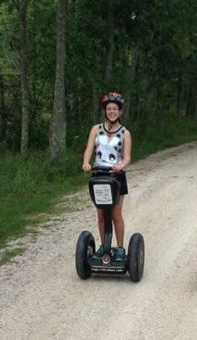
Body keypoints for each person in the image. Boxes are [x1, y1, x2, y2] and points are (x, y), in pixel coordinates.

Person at [82, 92, 132, 262]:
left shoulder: (125, 133)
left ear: (120, 112)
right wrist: (86, 163)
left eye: (115, 109)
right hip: (99, 176)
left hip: (116, 177)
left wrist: (121, 165)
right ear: (105, 110)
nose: (112, 111)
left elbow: (127, 157)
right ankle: (104, 246)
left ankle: (119, 248)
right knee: (102, 215)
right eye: (109, 108)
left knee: (116, 215)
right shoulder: (96, 129)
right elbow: (89, 148)